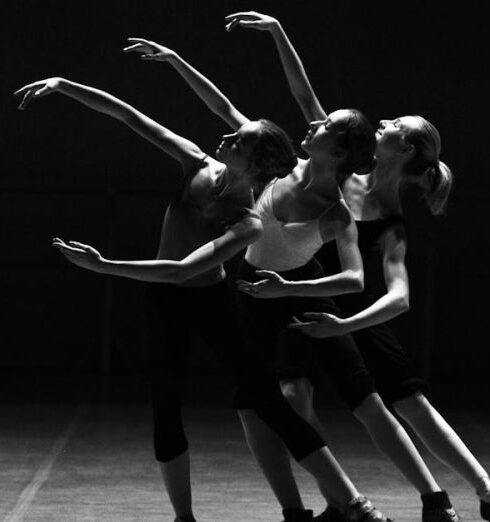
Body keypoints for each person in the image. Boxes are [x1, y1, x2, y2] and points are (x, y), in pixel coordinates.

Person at [15, 66, 390, 522]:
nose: (227, 139)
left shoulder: (248, 220)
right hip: (164, 304)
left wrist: (104, 265)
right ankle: (184, 518)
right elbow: (131, 116)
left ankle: (351, 502)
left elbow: (183, 270)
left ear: (252, 165)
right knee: (166, 406)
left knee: (266, 400)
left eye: (239, 142)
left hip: (212, 303)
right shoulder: (196, 161)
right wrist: (65, 86)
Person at [226, 10, 490, 522]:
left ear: (404, 146)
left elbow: (399, 295)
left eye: (392, 126)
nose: (383, 123)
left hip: (355, 311)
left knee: (404, 403)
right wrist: (279, 31)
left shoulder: (390, 221)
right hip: (307, 295)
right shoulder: (341, 175)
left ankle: (470, 490)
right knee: (293, 391)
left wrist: (349, 322)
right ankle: (340, 500)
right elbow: (305, 96)